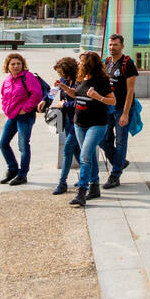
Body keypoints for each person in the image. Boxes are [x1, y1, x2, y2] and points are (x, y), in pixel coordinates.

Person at [53, 51, 116, 207]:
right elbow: (77, 94)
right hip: (79, 123)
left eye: (81, 62)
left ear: (89, 64)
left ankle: (82, 191)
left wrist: (98, 97)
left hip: (97, 124)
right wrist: (64, 87)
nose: (78, 64)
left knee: (85, 156)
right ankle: (94, 186)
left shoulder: (101, 81)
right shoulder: (82, 78)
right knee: (89, 156)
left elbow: (112, 101)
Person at [0, 52, 44, 186]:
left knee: (23, 145)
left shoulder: (28, 77)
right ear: (8, 66)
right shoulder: (7, 79)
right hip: (12, 115)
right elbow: (3, 96)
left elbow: (37, 94)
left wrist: (26, 109)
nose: (16, 66)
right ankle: (12, 169)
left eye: (19, 63)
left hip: (25, 116)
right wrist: (5, 108)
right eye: (13, 64)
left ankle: (22, 174)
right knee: (3, 143)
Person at [102, 34, 139, 189]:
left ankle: (115, 174)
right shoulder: (108, 62)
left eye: (115, 45)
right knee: (103, 138)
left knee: (121, 141)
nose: (112, 47)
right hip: (108, 107)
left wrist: (125, 113)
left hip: (122, 108)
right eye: (110, 45)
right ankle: (121, 162)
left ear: (122, 46)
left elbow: (130, 91)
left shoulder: (127, 63)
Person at [49, 56, 80, 196]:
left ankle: (62, 182)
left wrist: (64, 104)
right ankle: (90, 176)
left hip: (78, 120)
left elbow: (82, 102)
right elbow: (53, 92)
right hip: (67, 118)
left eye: (62, 73)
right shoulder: (63, 80)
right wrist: (45, 102)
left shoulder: (79, 81)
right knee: (76, 150)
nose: (61, 76)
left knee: (68, 149)